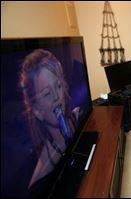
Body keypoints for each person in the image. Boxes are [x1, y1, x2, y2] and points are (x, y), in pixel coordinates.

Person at [19, 49, 80, 188]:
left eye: (58, 86)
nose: (57, 97)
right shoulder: (40, 179)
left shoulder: (80, 117)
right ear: (37, 111)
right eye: (47, 94)